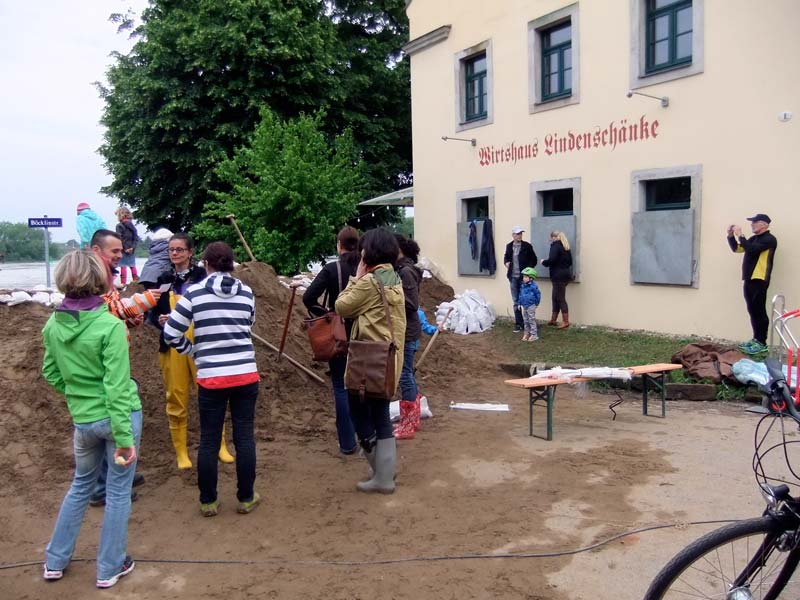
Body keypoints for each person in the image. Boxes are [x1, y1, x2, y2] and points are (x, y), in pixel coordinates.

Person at [41, 250, 141, 589]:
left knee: (80, 485)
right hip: (118, 419)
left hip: (83, 421)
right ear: (99, 279)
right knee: (117, 492)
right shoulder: (110, 326)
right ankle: (110, 566)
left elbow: (50, 372)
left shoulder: (53, 324)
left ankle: (55, 559)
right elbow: (116, 388)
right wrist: (125, 439)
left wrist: (78, 396)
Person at [163, 242, 261, 516]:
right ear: (232, 264)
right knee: (244, 438)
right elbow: (249, 325)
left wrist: (192, 350)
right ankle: (246, 497)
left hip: (211, 378)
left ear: (205, 264)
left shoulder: (194, 293)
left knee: (208, 440)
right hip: (245, 374)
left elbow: (170, 333)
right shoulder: (247, 292)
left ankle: (208, 501)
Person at [88, 229, 160, 506]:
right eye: (114, 252)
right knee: (117, 419)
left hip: (113, 360)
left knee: (111, 419)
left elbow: (118, 313)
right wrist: (143, 302)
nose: (121, 256)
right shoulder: (90, 283)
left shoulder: (105, 279)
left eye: (121, 251)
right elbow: (110, 312)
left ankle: (112, 477)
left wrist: (133, 317)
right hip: (102, 365)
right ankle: (107, 486)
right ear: (97, 251)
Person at [151, 234, 235, 469]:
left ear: (190, 252)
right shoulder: (163, 279)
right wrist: (160, 320)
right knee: (176, 397)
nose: (175, 253)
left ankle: (220, 445)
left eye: (179, 249)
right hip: (172, 344)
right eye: (171, 250)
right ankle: (181, 452)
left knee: (211, 396)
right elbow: (152, 313)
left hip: (201, 342)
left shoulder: (203, 277)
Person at [335, 228, 406, 494]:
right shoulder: (394, 278)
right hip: (389, 358)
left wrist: (356, 278)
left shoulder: (370, 282)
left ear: (370, 252)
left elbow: (342, 306)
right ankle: (385, 471)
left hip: (369, 359)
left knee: (359, 411)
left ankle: (383, 474)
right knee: (380, 413)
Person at [302, 226, 360, 455]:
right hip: (366, 333)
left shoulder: (332, 268)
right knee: (363, 385)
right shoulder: (366, 269)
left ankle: (347, 443)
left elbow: (308, 297)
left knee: (341, 386)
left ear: (339, 244)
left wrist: (325, 312)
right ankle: (368, 435)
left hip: (339, 335)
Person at [727, 213, 778, 354]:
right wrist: (731, 236)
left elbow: (752, 249)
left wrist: (741, 235)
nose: (752, 224)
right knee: (752, 310)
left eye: (755, 222)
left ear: (764, 224)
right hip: (749, 279)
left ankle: (762, 343)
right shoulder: (754, 238)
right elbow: (738, 249)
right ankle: (756, 340)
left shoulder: (769, 239)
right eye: (752, 222)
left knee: (760, 311)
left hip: (760, 279)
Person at [393, 234, 423, 440]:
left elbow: (412, 303)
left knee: (405, 376)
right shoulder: (402, 269)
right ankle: (413, 418)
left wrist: (390, 298)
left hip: (408, 330)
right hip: (406, 329)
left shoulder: (405, 272)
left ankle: (408, 423)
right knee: (407, 375)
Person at [503, 226, 537, 333]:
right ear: (513, 235)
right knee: (516, 301)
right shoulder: (509, 246)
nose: (519, 236)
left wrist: (528, 271)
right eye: (517, 234)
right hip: (513, 277)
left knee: (526, 301)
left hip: (524, 279)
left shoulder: (527, 246)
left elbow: (534, 260)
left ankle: (528, 323)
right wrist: (506, 262)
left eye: (521, 234)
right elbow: (506, 257)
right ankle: (519, 323)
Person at [541, 230, 573, 329]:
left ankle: (566, 321)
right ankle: (553, 319)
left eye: (551, 238)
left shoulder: (555, 246)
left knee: (560, 298)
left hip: (558, 275)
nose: (550, 240)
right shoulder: (566, 246)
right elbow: (570, 262)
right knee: (555, 297)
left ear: (554, 237)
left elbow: (552, 260)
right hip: (566, 274)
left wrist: (543, 262)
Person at [114, 207, 140, 285]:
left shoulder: (119, 226)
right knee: (132, 266)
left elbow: (119, 238)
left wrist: (125, 248)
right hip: (132, 250)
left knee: (123, 266)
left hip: (123, 249)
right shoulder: (132, 226)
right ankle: (136, 282)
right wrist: (132, 247)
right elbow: (136, 238)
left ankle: (123, 284)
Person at [517, 267, 541, 341]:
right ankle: (526, 333)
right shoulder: (523, 286)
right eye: (523, 276)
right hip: (524, 305)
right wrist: (519, 303)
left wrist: (536, 303)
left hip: (531, 305)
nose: (523, 278)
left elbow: (538, 295)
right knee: (526, 320)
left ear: (531, 278)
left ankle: (534, 334)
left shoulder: (533, 287)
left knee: (531, 319)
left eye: (525, 277)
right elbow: (520, 295)